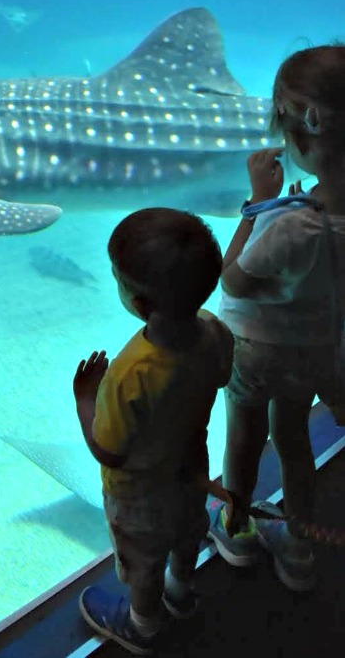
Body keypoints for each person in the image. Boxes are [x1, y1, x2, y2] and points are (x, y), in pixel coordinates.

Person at [208, 44, 345, 593]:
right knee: (293, 440)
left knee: (244, 438)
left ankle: (236, 528)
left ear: (305, 131)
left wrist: (258, 203)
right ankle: (299, 543)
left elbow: (233, 279)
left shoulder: (292, 222)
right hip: (313, 351)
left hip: (257, 351)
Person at [73, 208, 234, 655]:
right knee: (187, 535)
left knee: (143, 564)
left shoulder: (131, 373)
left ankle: (142, 626)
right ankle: (180, 593)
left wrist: (85, 400)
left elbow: (109, 451)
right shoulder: (215, 331)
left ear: (139, 302)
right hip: (190, 474)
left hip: (139, 496)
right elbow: (222, 376)